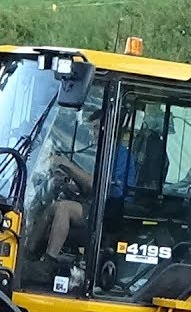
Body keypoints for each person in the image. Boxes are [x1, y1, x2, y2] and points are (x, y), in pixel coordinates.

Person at [36, 108, 137, 269]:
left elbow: (98, 185)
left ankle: (49, 262)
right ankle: (30, 253)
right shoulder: (103, 153)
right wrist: (68, 181)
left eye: (96, 128)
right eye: (92, 128)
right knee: (52, 207)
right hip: (98, 204)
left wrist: (66, 163)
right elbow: (89, 188)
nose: (93, 133)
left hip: (112, 211)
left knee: (64, 209)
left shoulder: (120, 155)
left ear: (109, 128)